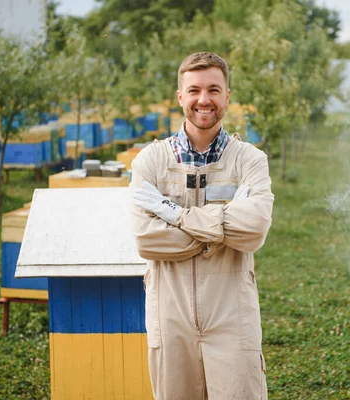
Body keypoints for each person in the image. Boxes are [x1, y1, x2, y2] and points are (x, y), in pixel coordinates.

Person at [129, 52, 274, 399]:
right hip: (170, 313)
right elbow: (146, 239)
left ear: (227, 95)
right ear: (180, 97)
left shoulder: (250, 161)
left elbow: (254, 231)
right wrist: (220, 230)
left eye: (213, 89)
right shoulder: (151, 161)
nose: (203, 100)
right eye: (194, 90)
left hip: (232, 313)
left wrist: (177, 217)